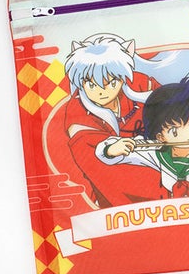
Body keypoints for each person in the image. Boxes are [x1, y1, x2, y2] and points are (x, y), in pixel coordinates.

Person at [95, 77, 189, 197]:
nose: (187, 134)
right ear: (160, 136)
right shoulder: (156, 151)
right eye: (174, 131)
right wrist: (110, 150)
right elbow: (105, 151)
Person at [63, 33, 165, 207]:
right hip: (120, 182)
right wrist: (109, 150)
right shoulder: (77, 111)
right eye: (91, 84)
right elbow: (87, 151)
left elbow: (174, 107)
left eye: (111, 83)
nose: (101, 91)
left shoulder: (139, 84)